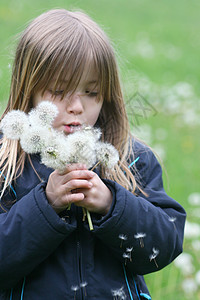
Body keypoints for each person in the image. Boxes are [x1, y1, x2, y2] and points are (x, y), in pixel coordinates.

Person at [0, 9, 186, 300]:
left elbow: (162, 249)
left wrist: (113, 204)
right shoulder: (7, 165)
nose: (76, 106)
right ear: (29, 89)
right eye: (59, 90)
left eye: (91, 92)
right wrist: (45, 206)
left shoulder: (130, 160)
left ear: (108, 94)